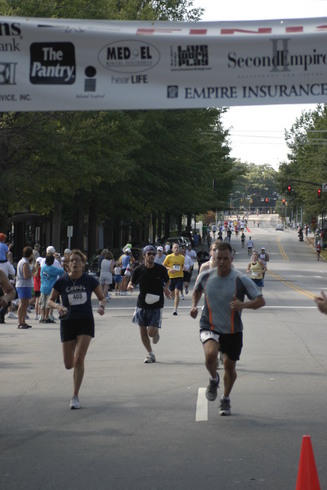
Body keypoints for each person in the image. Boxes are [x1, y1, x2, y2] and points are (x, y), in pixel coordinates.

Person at [190, 242, 265, 416]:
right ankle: (214, 379)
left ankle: (225, 398)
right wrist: (194, 305)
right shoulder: (206, 276)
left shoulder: (241, 279)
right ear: (213, 258)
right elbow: (197, 291)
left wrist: (243, 304)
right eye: (218, 258)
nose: (222, 262)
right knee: (210, 355)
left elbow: (260, 301)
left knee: (230, 368)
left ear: (231, 259)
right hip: (209, 324)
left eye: (225, 258)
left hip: (233, 330)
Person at [47, 249, 105, 410]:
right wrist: (58, 306)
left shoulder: (89, 280)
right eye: (71, 260)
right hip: (67, 322)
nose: (74, 263)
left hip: (85, 321)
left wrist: (101, 306)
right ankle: (74, 366)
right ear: (67, 264)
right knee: (68, 364)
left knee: (79, 358)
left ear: (83, 264)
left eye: (77, 260)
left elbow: (101, 297)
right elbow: (50, 300)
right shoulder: (62, 282)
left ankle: (75, 396)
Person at [127, 245, 170, 363]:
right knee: (142, 330)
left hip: (156, 303)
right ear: (144, 256)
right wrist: (130, 286)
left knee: (151, 332)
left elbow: (168, 280)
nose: (151, 256)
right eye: (149, 254)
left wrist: (166, 288)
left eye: (153, 254)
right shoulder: (139, 270)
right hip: (141, 304)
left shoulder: (160, 269)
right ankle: (150, 353)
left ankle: (156, 333)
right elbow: (132, 282)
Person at [40, 254, 65, 323]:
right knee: (48, 303)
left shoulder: (43, 267)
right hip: (50, 287)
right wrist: (63, 265)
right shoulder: (52, 268)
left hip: (43, 286)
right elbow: (61, 272)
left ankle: (42, 317)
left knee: (42, 302)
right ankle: (46, 317)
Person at [16, 246, 36, 329]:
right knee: (23, 304)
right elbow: (26, 275)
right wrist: (33, 272)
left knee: (25, 304)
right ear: (30, 254)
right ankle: (20, 322)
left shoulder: (22, 261)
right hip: (23, 285)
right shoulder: (25, 263)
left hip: (24, 285)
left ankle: (23, 321)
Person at [163, 242, 185, 315]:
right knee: (172, 293)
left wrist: (184, 268)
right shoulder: (169, 257)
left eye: (177, 247)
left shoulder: (182, 257)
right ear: (172, 249)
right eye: (175, 247)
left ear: (179, 249)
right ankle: (172, 296)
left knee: (177, 292)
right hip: (171, 277)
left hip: (179, 276)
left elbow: (182, 266)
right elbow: (164, 265)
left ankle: (175, 309)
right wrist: (169, 268)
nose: (176, 249)